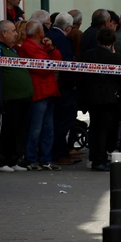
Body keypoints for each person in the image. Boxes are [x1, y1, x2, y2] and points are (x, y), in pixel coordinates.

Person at [20, 19, 61, 171]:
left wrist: (50, 49)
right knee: (36, 128)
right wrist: (48, 53)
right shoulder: (28, 47)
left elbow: (57, 61)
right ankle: (31, 158)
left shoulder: (41, 46)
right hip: (40, 90)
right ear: (39, 32)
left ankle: (45, 159)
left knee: (48, 127)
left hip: (48, 90)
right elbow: (44, 68)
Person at [80, 27, 121, 171]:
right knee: (103, 130)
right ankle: (100, 159)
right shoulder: (114, 58)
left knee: (95, 128)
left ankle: (94, 156)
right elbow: (119, 78)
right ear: (113, 41)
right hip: (108, 98)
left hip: (91, 97)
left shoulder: (87, 55)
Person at [0, 20, 32, 171]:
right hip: (9, 98)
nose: (16, 34)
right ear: (3, 33)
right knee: (8, 130)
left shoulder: (12, 49)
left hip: (22, 98)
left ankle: (14, 159)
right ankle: (2, 161)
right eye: (13, 31)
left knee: (19, 130)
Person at [47, 13, 78, 165]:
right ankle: (59, 153)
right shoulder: (64, 40)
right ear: (68, 28)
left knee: (55, 120)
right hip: (63, 87)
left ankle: (60, 151)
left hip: (54, 85)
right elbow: (66, 64)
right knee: (62, 121)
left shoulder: (49, 34)